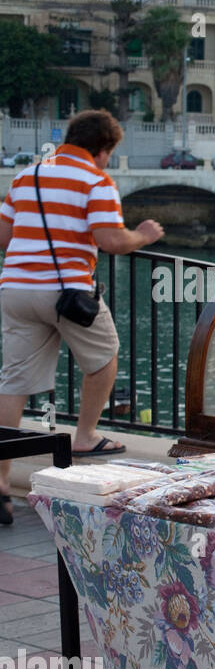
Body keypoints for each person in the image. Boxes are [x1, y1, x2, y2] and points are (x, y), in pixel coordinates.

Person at [0, 110, 164, 524]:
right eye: (109, 153)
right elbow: (111, 240)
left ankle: (0, 482)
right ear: (103, 149)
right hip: (68, 291)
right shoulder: (96, 181)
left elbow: (3, 236)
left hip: (17, 288)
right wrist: (143, 235)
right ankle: (86, 436)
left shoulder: (28, 176)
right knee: (105, 355)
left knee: (13, 379)